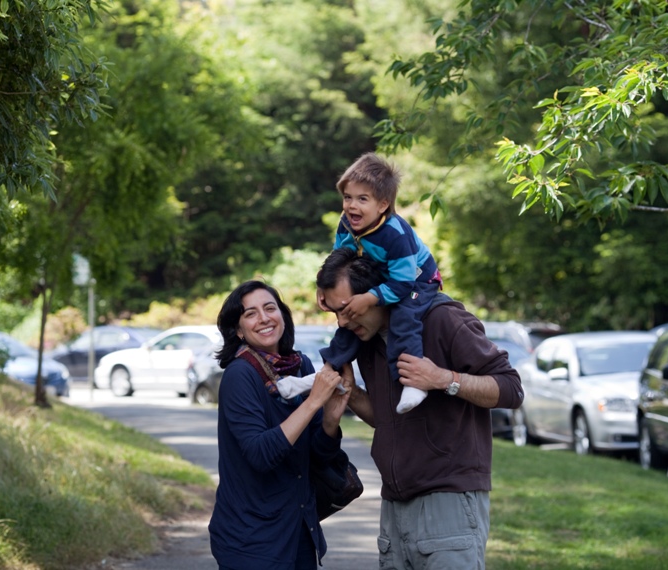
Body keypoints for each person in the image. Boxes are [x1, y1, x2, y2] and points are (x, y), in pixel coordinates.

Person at [316, 247, 523, 570]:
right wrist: (352, 393)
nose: (342, 321)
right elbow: (387, 420)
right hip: (393, 509)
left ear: (376, 295)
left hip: (449, 504)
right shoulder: (366, 340)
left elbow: (511, 388)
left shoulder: (442, 318)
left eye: (348, 310)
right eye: (335, 312)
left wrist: (443, 378)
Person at [209, 280, 350, 569]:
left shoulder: (301, 366)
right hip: (251, 541)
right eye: (250, 313)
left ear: (282, 315)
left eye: (270, 308)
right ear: (238, 330)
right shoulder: (240, 375)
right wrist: (312, 403)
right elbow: (261, 455)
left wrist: (330, 421)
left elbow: (317, 455)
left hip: (299, 531)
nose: (263, 318)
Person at [318, 152, 442, 414]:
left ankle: (411, 382)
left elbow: (403, 282)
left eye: (363, 199)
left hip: (417, 281)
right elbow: (339, 258)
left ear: (383, 205)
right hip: (385, 278)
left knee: (404, 316)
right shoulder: (346, 223)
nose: (352, 206)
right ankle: (330, 368)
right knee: (350, 316)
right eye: (348, 197)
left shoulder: (395, 234)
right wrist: (324, 286)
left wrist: (371, 297)